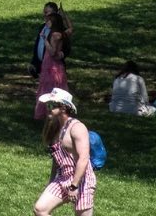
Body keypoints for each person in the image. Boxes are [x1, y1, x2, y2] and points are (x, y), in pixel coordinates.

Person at [34, 88, 97, 216]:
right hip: (63, 177)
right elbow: (56, 160)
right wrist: (51, 181)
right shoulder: (55, 128)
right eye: (47, 105)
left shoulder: (77, 128)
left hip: (82, 179)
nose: (48, 108)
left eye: (51, 105)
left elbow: (84, 158)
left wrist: (74, 186)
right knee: (40, 209)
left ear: (63, 107)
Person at [35, 10, 71, 120]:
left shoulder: (55, 35)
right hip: (57, 65)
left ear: (53, 22)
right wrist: (64, 15)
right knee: (59, 86)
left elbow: (52, 52)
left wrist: (45, 40)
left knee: (48, 88)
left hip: (51, 64)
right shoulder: (63, 33)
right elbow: (71, 28)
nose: (46, 23)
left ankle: (49, 113)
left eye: (49, 21)